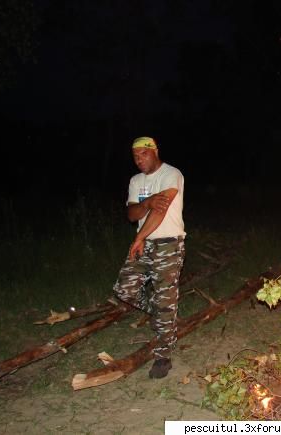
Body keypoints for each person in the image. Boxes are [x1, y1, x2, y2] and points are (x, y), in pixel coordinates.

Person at [113, 136, 186, 379]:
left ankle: (163, 356)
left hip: (168, 244)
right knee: (124, 289)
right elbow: (132, 214)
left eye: (143, 154)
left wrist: (138, 237)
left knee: (166, 301)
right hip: (145, 243)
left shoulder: (171, 174)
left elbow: (160, 210)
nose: (138, 160)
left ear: (155, 151)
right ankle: (162, 313)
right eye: (135, 156)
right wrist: (148, 202)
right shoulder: (136, 181)